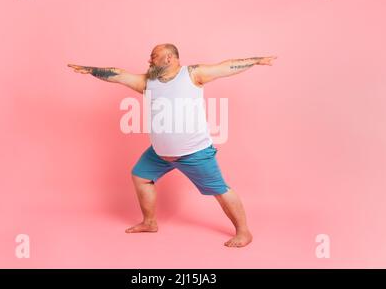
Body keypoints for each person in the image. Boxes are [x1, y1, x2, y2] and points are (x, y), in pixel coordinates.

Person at [68, 44, 276, 247]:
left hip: (194, 153)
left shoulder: (193, 74)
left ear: (168, 58)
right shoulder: (148, 82)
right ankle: (149, 223)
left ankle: (244, 232)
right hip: (159, 154)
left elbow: (226, 66)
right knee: (140, 176)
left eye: (153, 55)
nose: (149, 60)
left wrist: (256, 61)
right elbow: (119, 74)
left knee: (220, 190)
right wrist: (89, 70)